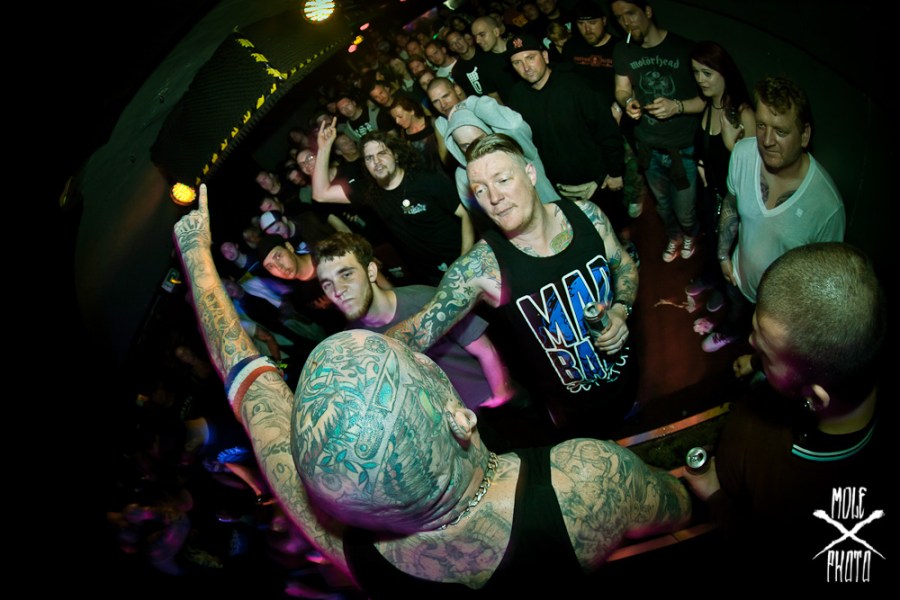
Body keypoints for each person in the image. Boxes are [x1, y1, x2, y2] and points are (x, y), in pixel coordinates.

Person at [173, 187, 692, 595]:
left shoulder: (345, 548)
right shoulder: (587, 481)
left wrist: (195, 257)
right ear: (461, 418)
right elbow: (678, 509)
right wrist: (197, 252)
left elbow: (252, 392)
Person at [388, 134, 639, 440]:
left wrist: (621, 310)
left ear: (530, 174)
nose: (494, 198)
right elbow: (415, 333)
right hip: (575, 417)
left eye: (503, 179)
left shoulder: (587, 215)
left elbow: (623, 265)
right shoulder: (482, 267)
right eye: (481, 190)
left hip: (629, 379)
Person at [683, 242, 886, 587]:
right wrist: (759, 362)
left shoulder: (801, 497)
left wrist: (716, 496)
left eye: (764, 351)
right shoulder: (848, 361)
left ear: (815, 398)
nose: (749, 342)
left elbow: (762, 551)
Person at [702, 75, 845, 352]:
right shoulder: (743, 154)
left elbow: (819, 283)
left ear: (804, 135)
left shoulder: (827, 207)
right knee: (735, 314)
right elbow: (731, 204)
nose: (767, 140)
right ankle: (730, 332)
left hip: (779, 309)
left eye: (780, 131)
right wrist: (723, 256)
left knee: (764, 348)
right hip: (737, 276)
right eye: (761, 126)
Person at [312, 231, 514, 412]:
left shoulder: (422, 298)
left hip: (486, 405)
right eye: (327, 284)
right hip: (445, 430)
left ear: (371, 272)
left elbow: (485, 350)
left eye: (346, 275)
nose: (338, 291)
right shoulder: (352, 342)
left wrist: (499, 395)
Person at [312, 119, 475, 286]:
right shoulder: (369, 192)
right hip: (432, 273)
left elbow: (466, 214)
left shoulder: (426, 180)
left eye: (382, 153)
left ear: (395, 155)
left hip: (464, 259)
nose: (376, 161)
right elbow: (320, 194)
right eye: (369, 158)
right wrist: (324, 148)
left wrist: (464, 260)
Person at [611, 0, 704, 262]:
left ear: (648, 11)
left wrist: (677, 106)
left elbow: (707, 99)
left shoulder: (684, 48)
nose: (626, 22)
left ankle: (690, 234)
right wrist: (628, 102)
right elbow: (621, 89)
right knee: (662, 205)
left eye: (631, 14)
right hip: (648, 147)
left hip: (682, 148)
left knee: (685, 209)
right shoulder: (623, 50)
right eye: (619, 18)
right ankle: (674, 236)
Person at [504, 32, 627, 231]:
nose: (526, 67)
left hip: (597, 183)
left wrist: (615, 172)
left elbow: (606, 129)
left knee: (613, 229)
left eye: (530, 57)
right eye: (517, 63)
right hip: (558, 189)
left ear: (545, 56)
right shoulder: (517, 97)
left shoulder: (576, 85)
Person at [684, 41, 756, 317]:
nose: (700, 79)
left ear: (724, 72)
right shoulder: (709, 104)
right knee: (712, 241)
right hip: (710, 193)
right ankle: (713, 277)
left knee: (728, 248)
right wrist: (701, 164)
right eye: (696, 73)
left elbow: (753, 171)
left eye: (707, 73)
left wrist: (731, 145)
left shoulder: (742, 113)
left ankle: (725, 292)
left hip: (732, 200)